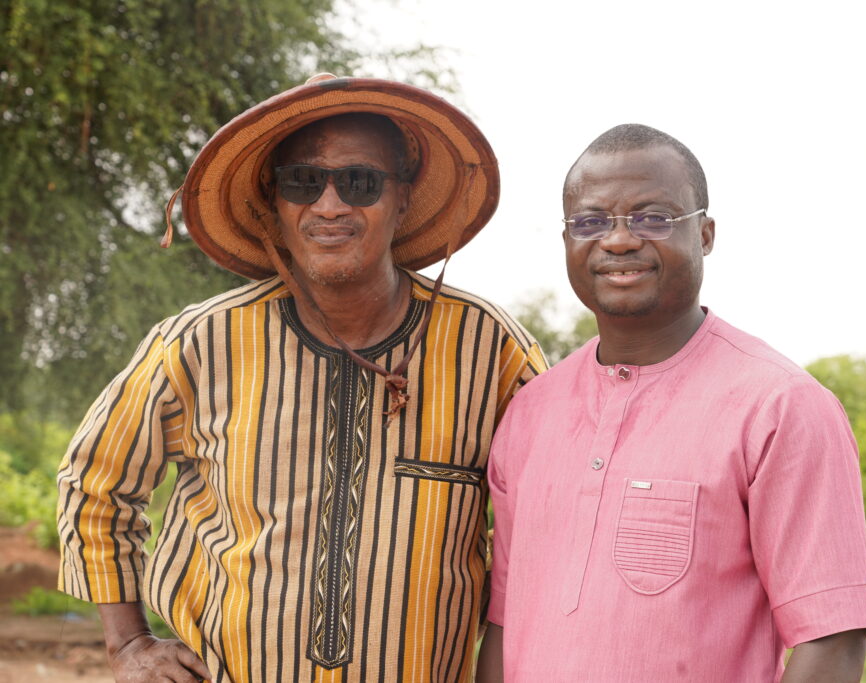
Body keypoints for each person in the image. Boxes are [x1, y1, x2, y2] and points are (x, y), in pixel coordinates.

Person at [56, 74, 545, 683]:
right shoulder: (200, 343)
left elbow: (553, 521)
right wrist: (128, 644)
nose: (330, 205)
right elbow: (94, 485)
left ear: (404, 198)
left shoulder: (491, 349)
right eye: (303, 182)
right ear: (275, 203)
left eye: (361, 182)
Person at [477, 124, 866, 682]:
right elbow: (505, 625)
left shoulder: (780, 408)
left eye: (652, 218)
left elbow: (832, 640)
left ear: (707, 234)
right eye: (590, 222)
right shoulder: (530, 412)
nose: (619, 241)